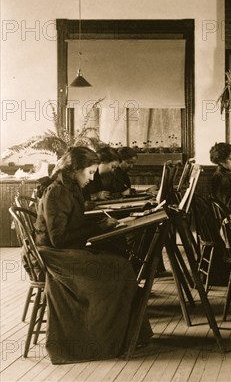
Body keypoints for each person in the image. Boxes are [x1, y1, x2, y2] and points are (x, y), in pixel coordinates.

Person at [34, 146, 152, 364]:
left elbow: (72, 224)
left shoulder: (70, 187)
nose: (91, 178)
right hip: (55, 256)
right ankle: (106, 340)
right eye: (89, 173)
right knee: (118, 269)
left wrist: (100, 225)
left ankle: (126, 335)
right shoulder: (57, 191)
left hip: (65, 250)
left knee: (121, 264)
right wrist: (98, 227)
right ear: (74, 169)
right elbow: (58, 239)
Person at [209, 142, 231, 212]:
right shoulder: (228, 179)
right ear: (221, 161)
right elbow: (230, 206)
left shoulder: (218, 174)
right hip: (230, 218)